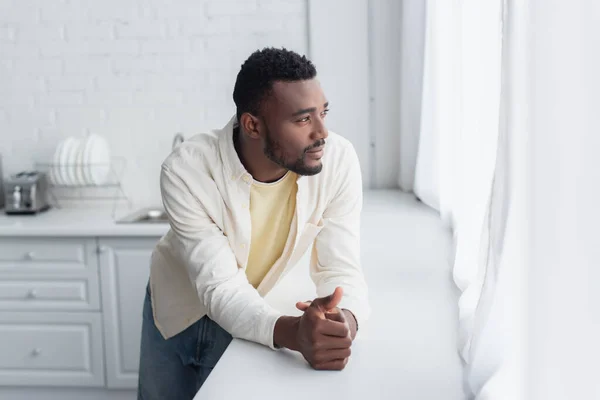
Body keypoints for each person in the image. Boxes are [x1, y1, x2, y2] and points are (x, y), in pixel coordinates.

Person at [137, 47, 370, 400]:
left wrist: (343, 323)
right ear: (253, 125)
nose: (322, 132)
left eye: (323, 113)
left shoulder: (338, 161)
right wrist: (295, 334)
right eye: (303, 119)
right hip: (176, 314)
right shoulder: (187, 169)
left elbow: (342, 267)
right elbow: (219, 287)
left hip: (249, 311)